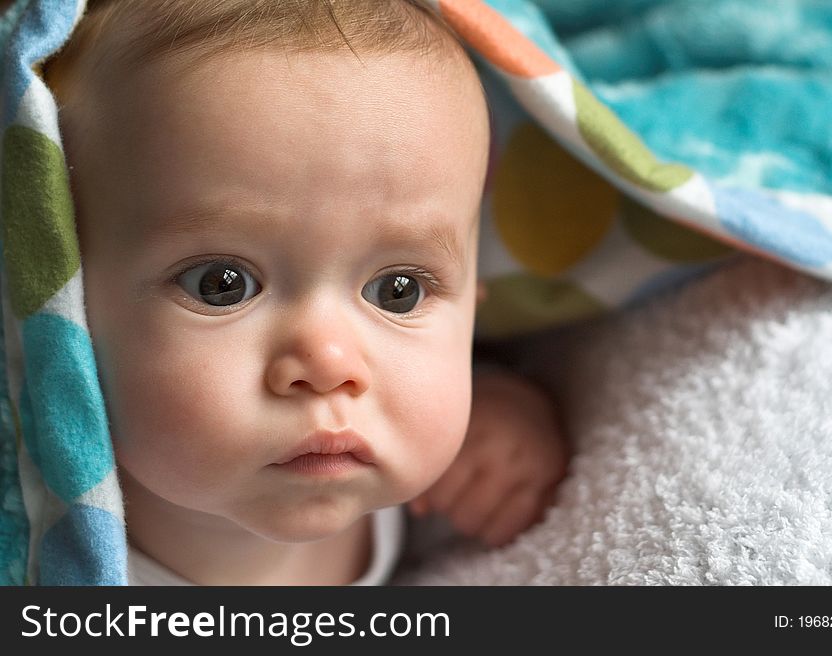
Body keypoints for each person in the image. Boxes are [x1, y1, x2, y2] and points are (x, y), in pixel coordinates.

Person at [43, 0, 568, 585]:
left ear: (474, 307)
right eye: (223, 285)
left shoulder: (416, 462)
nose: (328, 366)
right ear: (68, 300)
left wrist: (507, 410)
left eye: (398, 291)